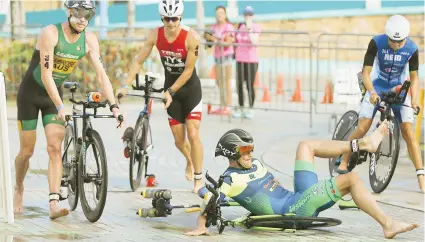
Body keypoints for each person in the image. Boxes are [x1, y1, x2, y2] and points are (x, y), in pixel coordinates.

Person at [184, 123, 419, 239]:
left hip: (297, 198)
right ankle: (388, 224)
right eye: (245, 150)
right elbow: (212, 201)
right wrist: (201, 225)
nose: (250, 154)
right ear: (231, 154)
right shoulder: (230, 179)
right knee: (351, 179)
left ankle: (362, 145)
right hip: (294, 211)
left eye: (251, 149)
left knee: (305, 145)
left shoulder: (253, 164)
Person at [14, 0, 123, 219]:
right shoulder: (50, 33)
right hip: (31, 95)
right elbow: (46, 75)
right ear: (70, 12)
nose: (83, 19)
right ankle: (18, 187)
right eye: (79, 13)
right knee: (27, 152)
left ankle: (54, 203)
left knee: (55, 147)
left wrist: (114, 106)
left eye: (88, 14)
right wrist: (61, 106)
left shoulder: (89, 40)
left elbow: (102, 75)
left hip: (53, 99)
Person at [115, 0, 204, 192]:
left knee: (193, 133)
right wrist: (125, 84)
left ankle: (198, 178)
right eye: (166, 19)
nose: (171, 23)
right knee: (179, 141)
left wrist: (171, 91)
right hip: (170, 90)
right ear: (161, 18)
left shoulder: (192, 37)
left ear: (180, 17)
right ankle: (189, 160)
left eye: (174, 19)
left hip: (190, 90)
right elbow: (139, 60)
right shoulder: (155, 34)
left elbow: (188, 70)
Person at [335, 15, 423, 193]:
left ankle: (421, 176)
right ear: (387, 36)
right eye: (393, 41)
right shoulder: (376, 43)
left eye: (400, 42)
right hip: (376, 87)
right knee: (364, 126)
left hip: (398, 89)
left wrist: (414, 100)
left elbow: (414, 77)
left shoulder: (412, 48)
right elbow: (366, 73)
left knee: (408, 131)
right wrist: (372, 93)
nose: (397, 45)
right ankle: (344, 159)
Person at [204, 5, 235, 115]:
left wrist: (216, 39)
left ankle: (229, 107)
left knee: (226, 82)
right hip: (217, 57)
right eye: (217, 14)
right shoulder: (214, 27)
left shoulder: (229, 27)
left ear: (225, 14)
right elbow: (210, 42)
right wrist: (208, 38)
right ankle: (223, 105)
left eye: (221, 13)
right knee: (219, 82)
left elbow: (228, 42)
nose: (219, 16)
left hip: (227, 57)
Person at [233, 6, 261, 119]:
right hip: (240, 59)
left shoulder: (256, 27)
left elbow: (254, 41)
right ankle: (241, 107)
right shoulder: (240, 26)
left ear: (253, 16)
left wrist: (249, 29)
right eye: (246, 14)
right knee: (239, 84)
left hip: (251, 60)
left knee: (249, 85)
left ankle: (251, 108)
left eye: (250, 14)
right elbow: (236, 41)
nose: (247, 17)